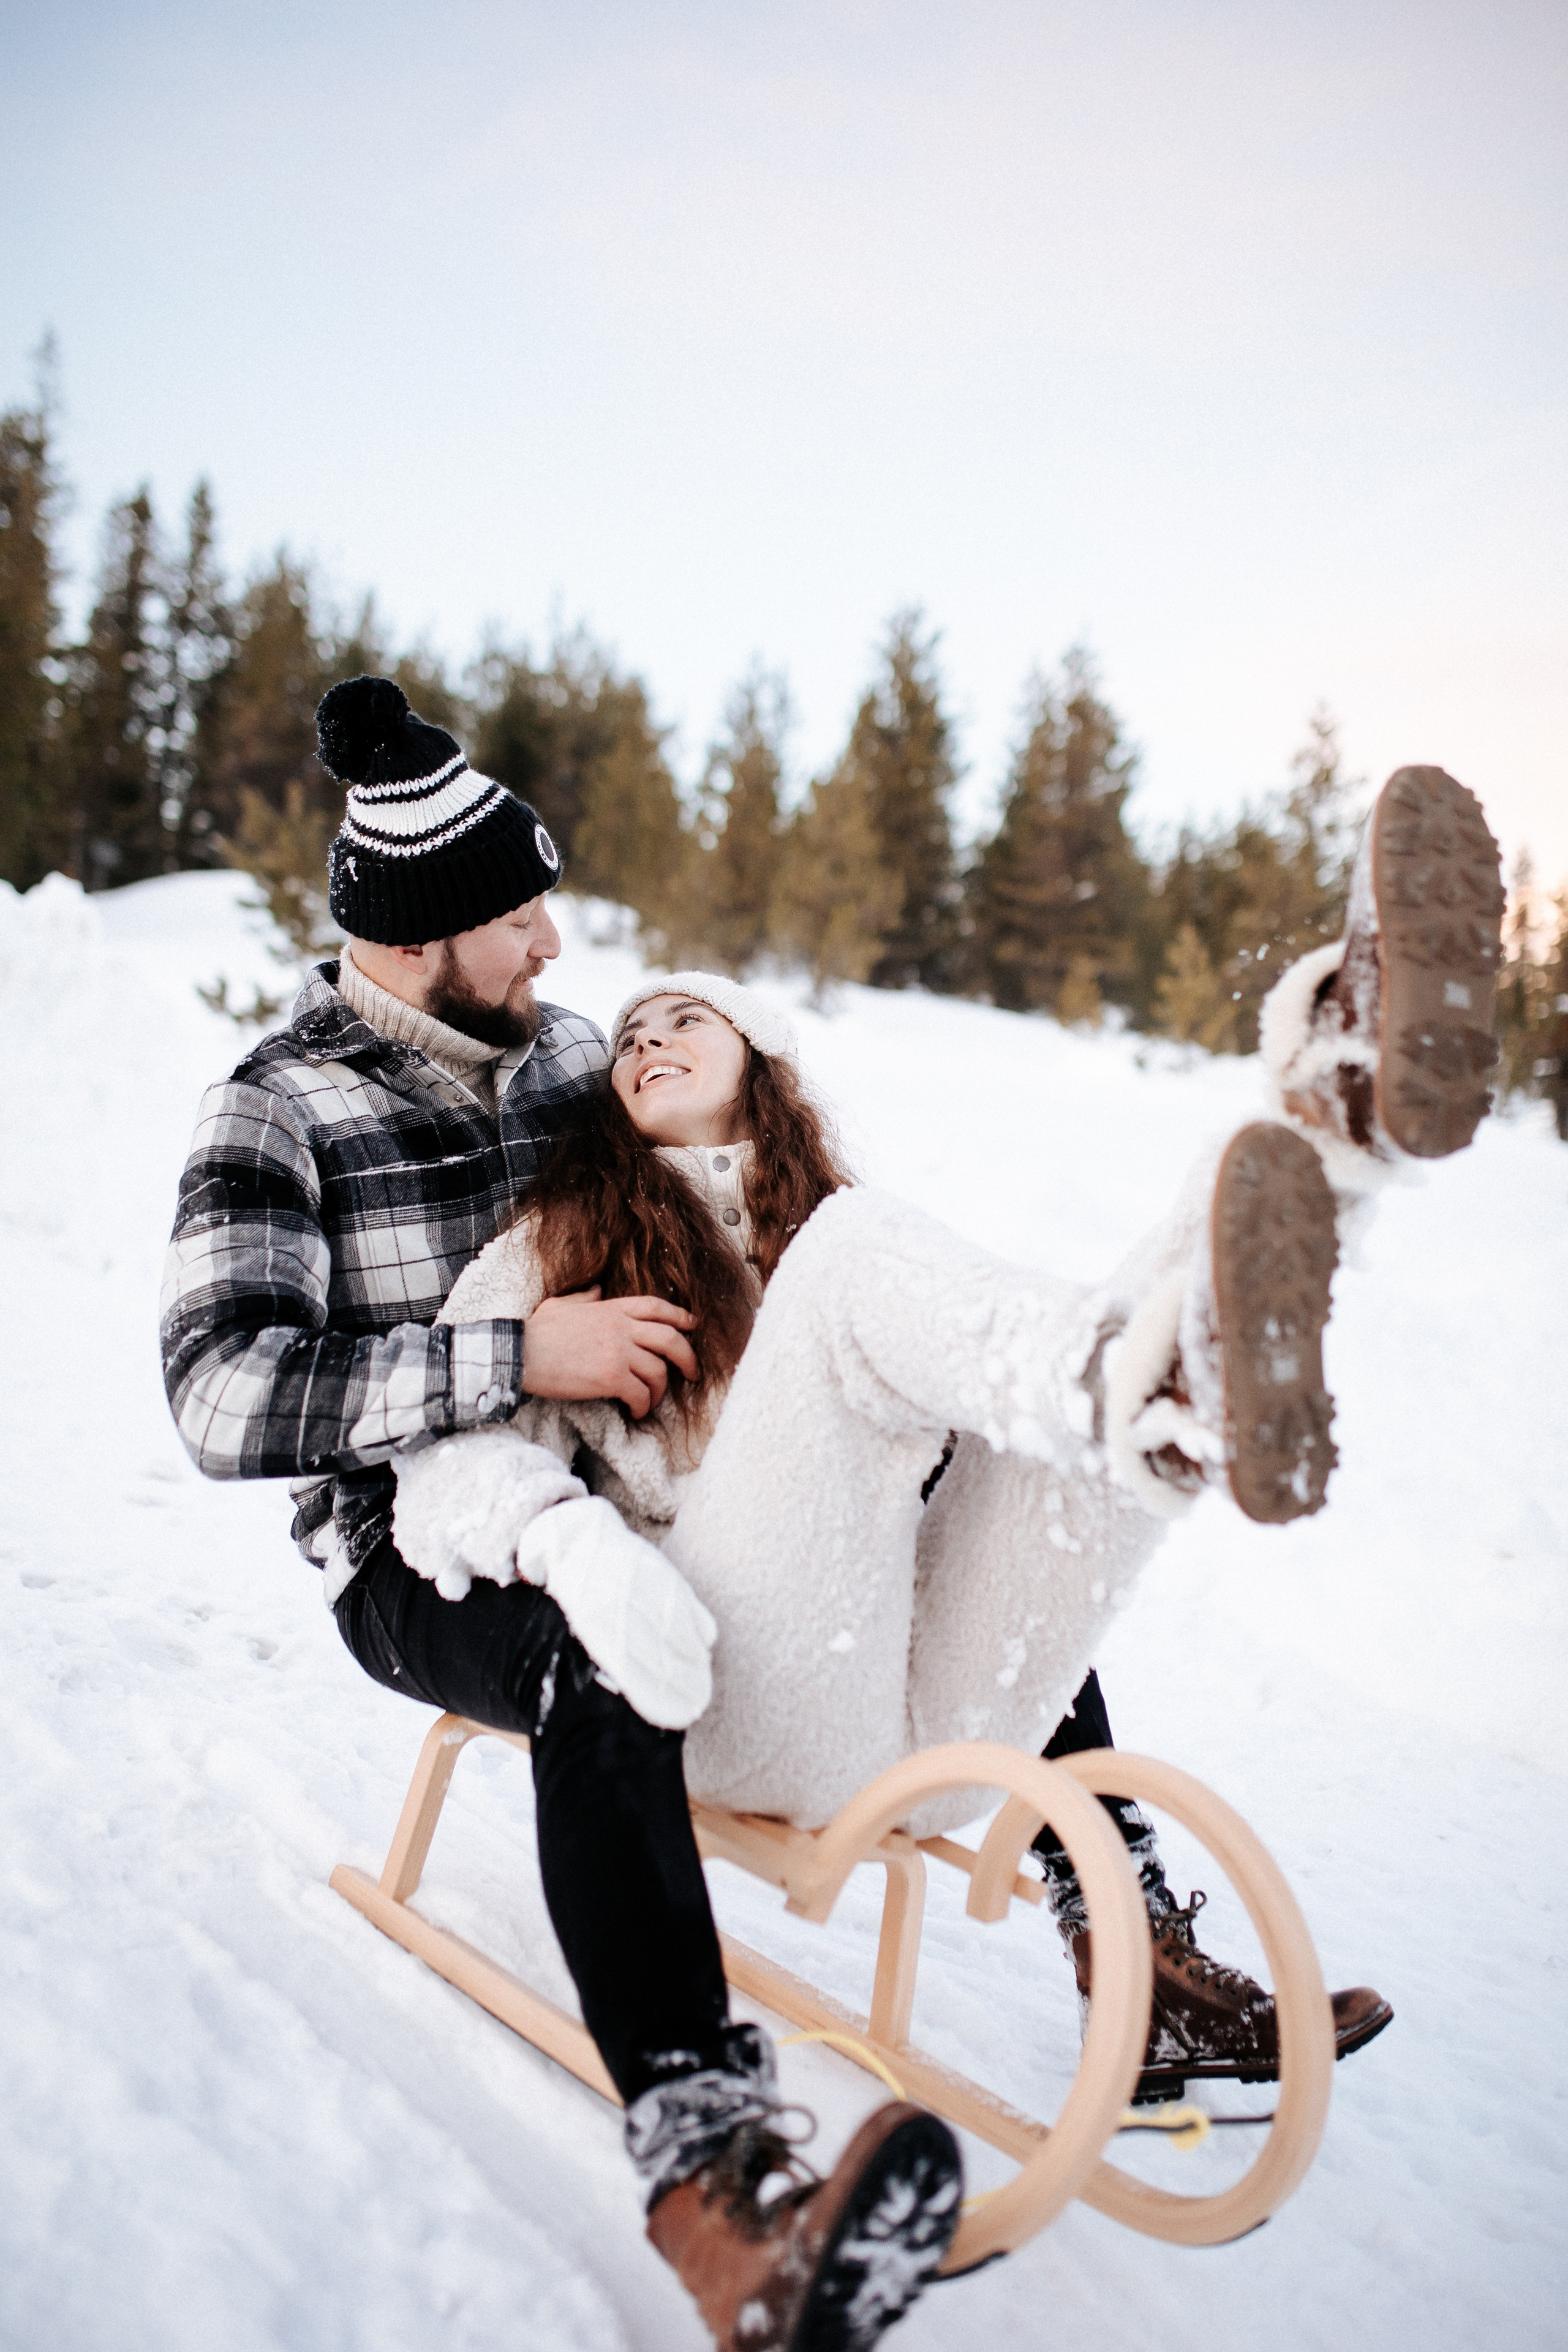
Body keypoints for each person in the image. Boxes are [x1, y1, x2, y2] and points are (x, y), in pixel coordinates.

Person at [160, 677, 1502, 2352]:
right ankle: (711, 2171)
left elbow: (726, 1194)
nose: (561, 949)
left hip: (679, 1513)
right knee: (600, 1647)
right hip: (429, 1542)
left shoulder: (570, 1056)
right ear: (423, 935)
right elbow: (219, 1392)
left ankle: (1327, 1130)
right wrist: (520, 1357)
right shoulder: (279, 1104)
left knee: (956, 1438)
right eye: (516, 917)